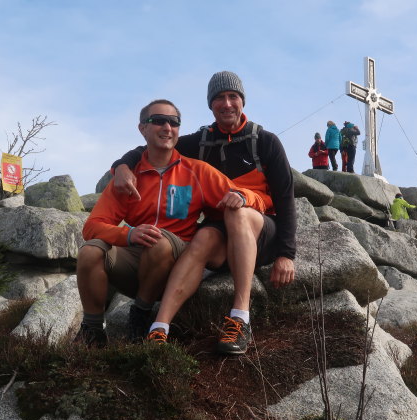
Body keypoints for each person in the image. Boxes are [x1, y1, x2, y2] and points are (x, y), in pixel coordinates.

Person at [110, 71, 296, 355]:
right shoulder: (199, 143)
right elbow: (151, 148)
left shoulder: (265, 141)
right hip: (221, 231)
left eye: (233, 96)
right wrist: (122, 166)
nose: (227, 103)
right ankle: (159, 329)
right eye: (219, 98)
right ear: (211, 104)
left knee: (238, 212)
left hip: (260, 230)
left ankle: (240, 318)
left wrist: (286, 254)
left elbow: (285, 200)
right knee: (202, 238)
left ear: (242, 101)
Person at [75, 99, 262, 347]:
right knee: (89, 252)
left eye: (174, 122)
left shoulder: (197, 171)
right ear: (142, 128)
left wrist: (243, 195)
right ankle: (93, 328)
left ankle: (140, 314)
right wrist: (128, 236)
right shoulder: (127, 178)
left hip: (176, 262)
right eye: (158, 121)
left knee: (159, 242)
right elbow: (91, 227)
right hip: (135, 259)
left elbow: (252, 198)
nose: (167, 127)